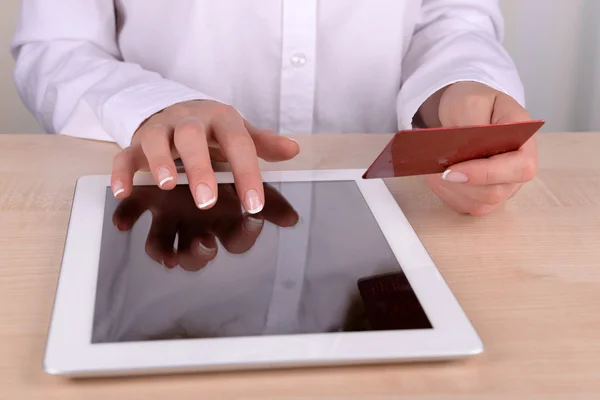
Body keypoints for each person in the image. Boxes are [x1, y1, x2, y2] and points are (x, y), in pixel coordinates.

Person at [11, 0, 537, 216]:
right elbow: (57, 45)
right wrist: (150, 107)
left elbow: (451, 19)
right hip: (163, 203)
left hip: (395, 211)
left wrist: (461, 87)